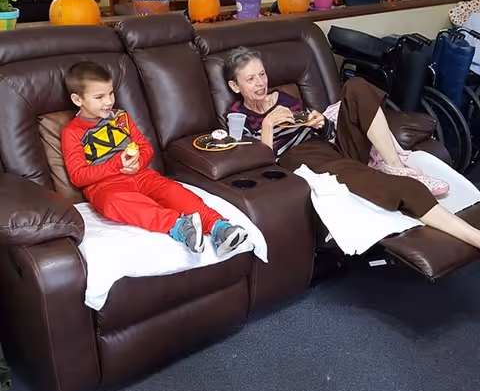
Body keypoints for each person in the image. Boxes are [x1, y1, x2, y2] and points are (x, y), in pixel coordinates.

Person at [226, 46, 480, 250]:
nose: (260, 82)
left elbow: (325, 133)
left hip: (329, 146)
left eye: (262, 74)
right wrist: (268, 124)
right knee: (399, 189)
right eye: (250, 79)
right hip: (303, 158)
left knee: (357, 85)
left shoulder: (284, 98)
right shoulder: (238, 117)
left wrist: (321, 123)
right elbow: (262, 165)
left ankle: (394, 165)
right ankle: (473, 237)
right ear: (235, 87)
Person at [61, 62, 248, 257]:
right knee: (113, 203)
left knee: (174, 191)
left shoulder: (121, 117)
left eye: (111, 93)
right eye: (99, 97)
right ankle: (178, 226)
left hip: (141, 176)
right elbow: (78, 176)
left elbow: (145, 148)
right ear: (77, 99)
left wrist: (137, 163)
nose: (108, 101)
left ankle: (219, 227)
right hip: (106, 187)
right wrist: (117, 165)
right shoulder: (72, 132)